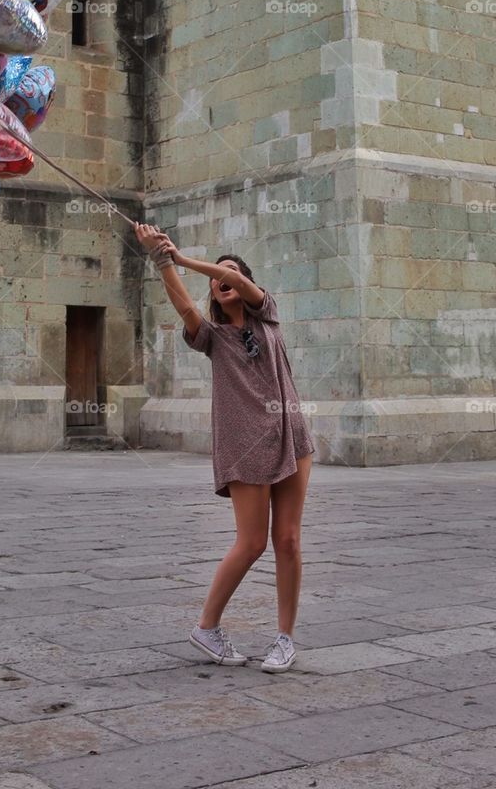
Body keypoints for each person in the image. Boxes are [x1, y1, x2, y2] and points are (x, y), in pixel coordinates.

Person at [134, 222, 315, 673]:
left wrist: (183, 258)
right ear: (212, 295)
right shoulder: (212, 338)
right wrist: (162, 262)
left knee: (288, 540)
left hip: (291, 435)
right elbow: (182, 305)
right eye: (217, 280)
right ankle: (206, 627)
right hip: (243, 446)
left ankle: (284, 640)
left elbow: (235, 279)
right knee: (251, 542)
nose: (222, 280)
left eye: (229, 273)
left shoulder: (266, 313)